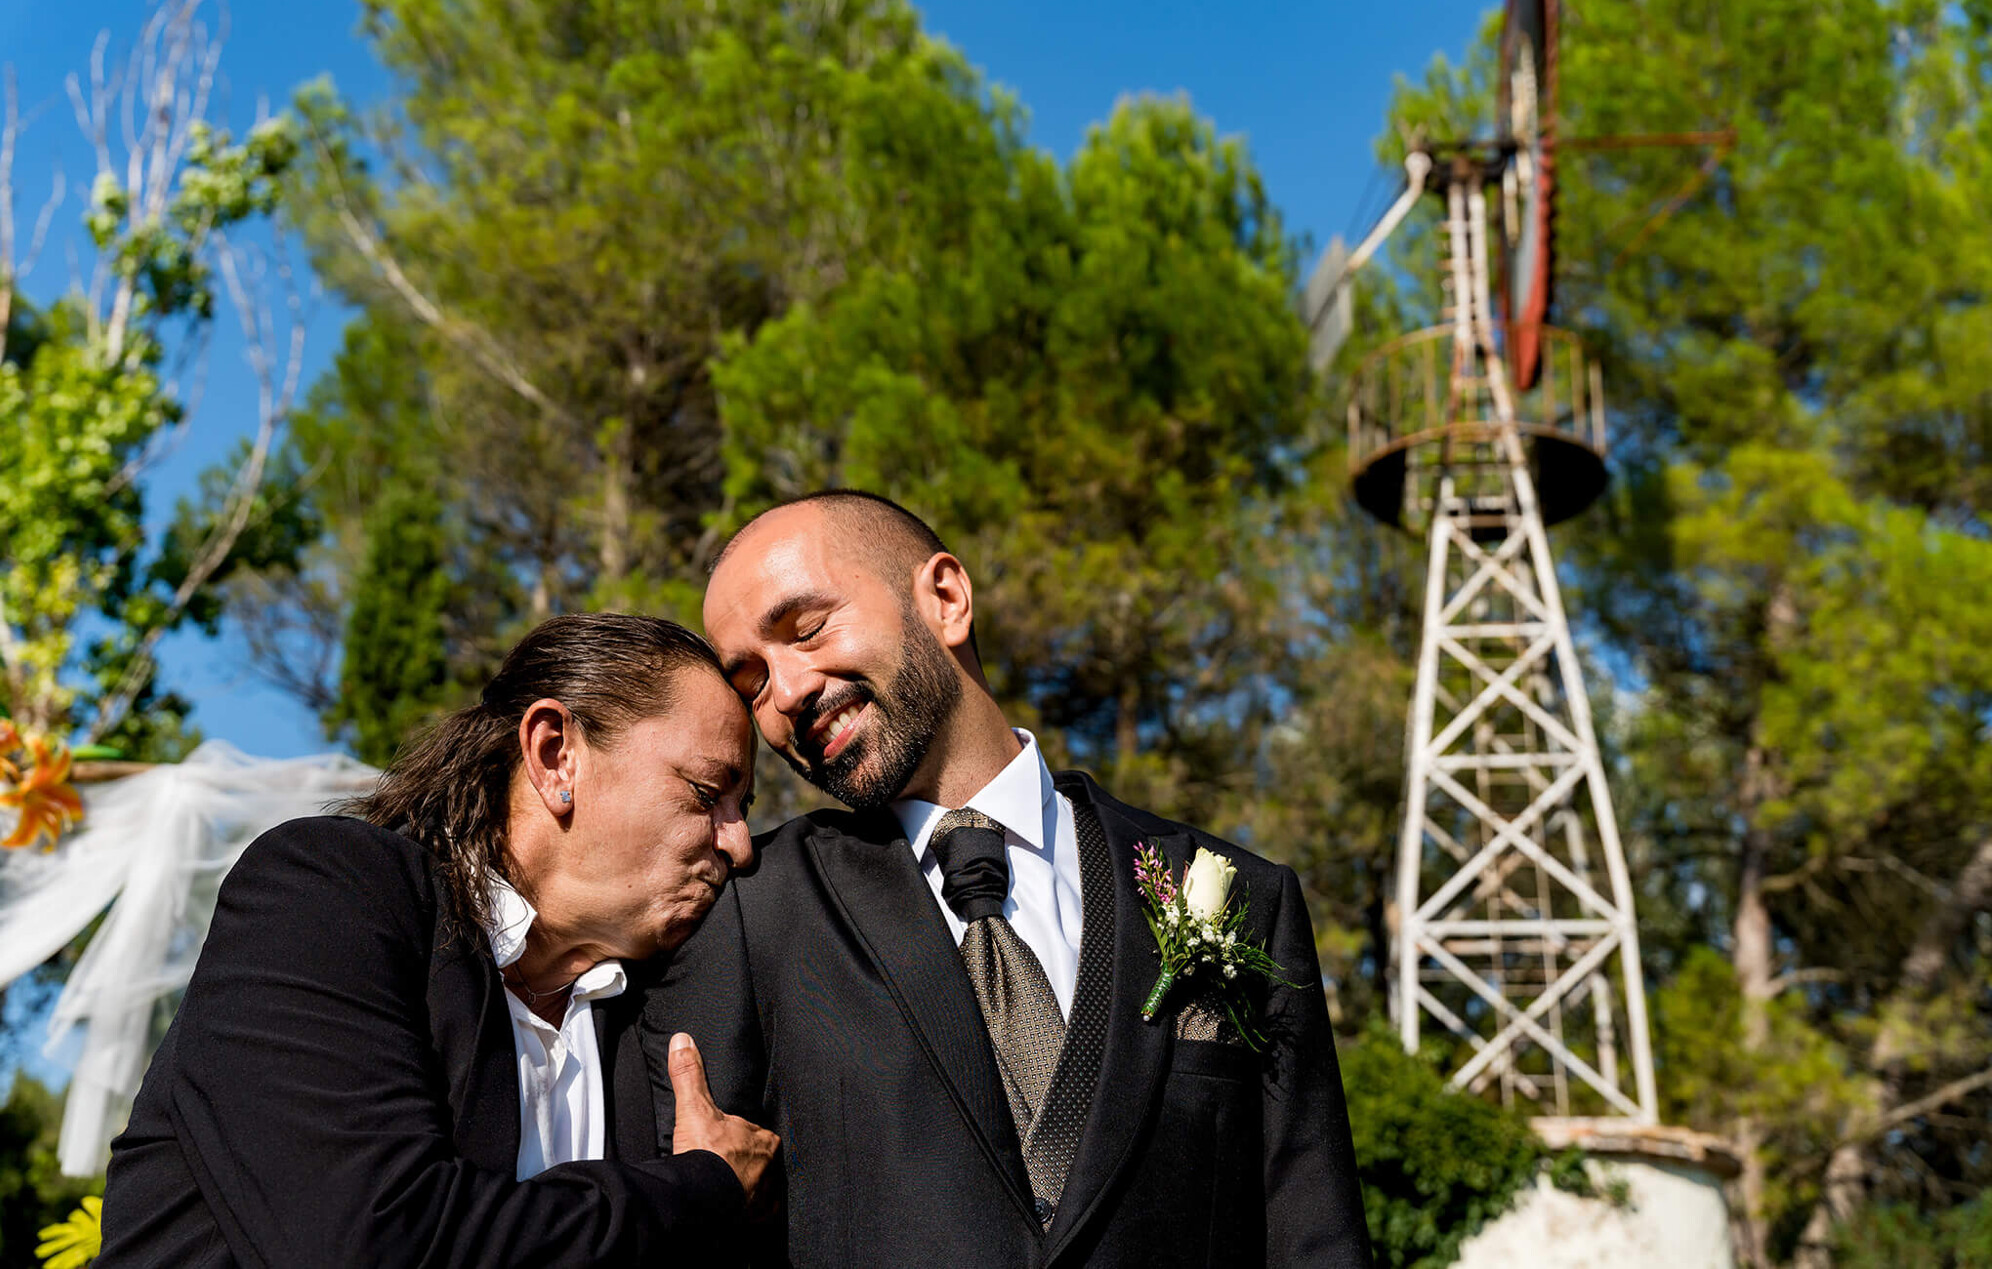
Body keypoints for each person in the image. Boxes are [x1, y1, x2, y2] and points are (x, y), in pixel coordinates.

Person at [636, 492, 1373, 1267]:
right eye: (751, 680)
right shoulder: (751, 911)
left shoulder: (1239, 897)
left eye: (808, 629)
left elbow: (1313, 1235)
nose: (784, 694)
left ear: (947, 599)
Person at [97, 613, 780, 1268]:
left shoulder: (640, 1022)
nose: (739, 843)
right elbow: (376, 1242)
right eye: (707, 791)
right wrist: (703, 1189)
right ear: (555, 755)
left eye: (742, 808)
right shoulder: (327, 894)